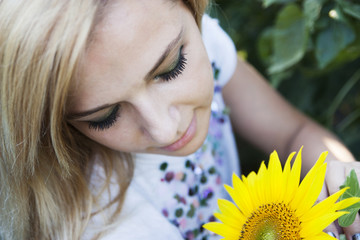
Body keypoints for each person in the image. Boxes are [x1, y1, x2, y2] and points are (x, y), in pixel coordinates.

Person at [0, 0, 359, 239]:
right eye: (105, 116)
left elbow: (291, 131)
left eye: (172, 68)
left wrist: (346, 183)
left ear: (194, 9)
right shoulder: (100, 221)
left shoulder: (202, 42)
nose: (164, 128)